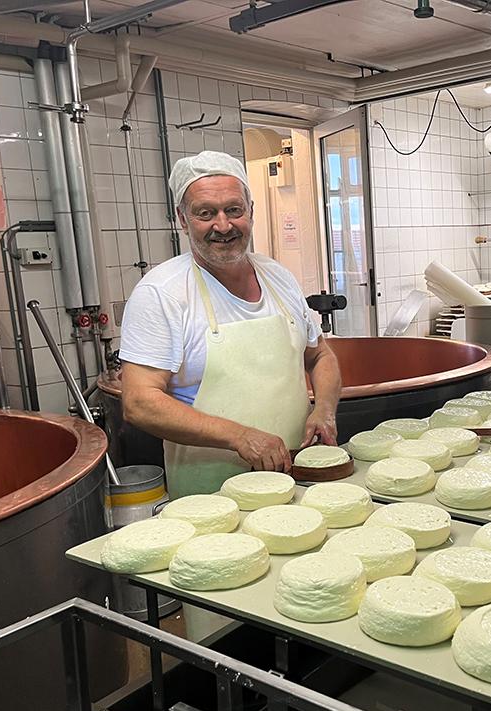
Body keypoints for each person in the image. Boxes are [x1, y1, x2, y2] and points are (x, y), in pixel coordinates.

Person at [119, 150, 342, 500]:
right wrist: (239, 437)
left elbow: (320, 356)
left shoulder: (278, 278)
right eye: (205, 213)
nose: (223, 226)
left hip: (297, 480)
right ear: (182, 218)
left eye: (233, 210)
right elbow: (139, 402)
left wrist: (324, 410)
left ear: (250, 210)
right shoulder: (161, 293)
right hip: (211, 495)